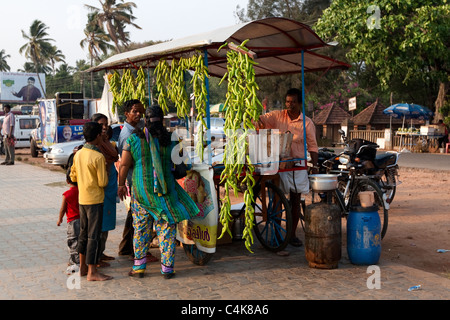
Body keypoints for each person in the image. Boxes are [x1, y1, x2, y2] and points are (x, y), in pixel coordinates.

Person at [118, 105, 200, 279]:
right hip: (166, 191)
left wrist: (121, 185)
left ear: (144, 120)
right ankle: (167, 269)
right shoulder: (171, 138)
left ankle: (139, 268)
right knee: (167, 229)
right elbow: (183, 162)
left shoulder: (133, 139)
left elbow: (124, 165)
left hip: (141, 192)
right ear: (162, 120)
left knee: (140, 229)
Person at [257, 88, 319, 247]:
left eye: (293, 102)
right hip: (279, 164)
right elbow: (259, 121)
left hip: (298, 165)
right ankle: (278, 234)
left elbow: (312, 146)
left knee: (295, 200)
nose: (289, 105)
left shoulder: (307, 122)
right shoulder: (277, 116)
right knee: (277, 200)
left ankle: (291, 235)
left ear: (299, 103)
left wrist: (315, 165)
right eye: (287, 102)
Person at [70, 122, 112, 281]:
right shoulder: (98, 156)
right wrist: (107, 170)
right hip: (95, 200)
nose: (103, 136)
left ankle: (82, 268)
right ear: (97, 136)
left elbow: (73, 176)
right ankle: (92, 272)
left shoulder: (79, 153)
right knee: (93, 236)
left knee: (83, 234)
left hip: (83, 199)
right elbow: (102, 182)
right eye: (102, 134)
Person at [91, 113, 119, 266]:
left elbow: (114, 155)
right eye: (101, 125)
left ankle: (101, 252)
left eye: (106, 125)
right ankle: (96, 256)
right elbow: (110, 157)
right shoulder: (95, 144)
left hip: (109, 189)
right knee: (100, 225)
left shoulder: (105, 141)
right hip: (101, 189)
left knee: (107, 224)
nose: (104, 128)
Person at [57, 168, 80, 275]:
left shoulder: (67, 194)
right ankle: (81, 261)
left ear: (67, 181)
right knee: (81, 240)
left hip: (72, 222)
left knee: (73, 242)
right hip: (83, 220)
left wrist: (60, 219)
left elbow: (62, 209)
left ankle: (74, 263)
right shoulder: (82, 191)